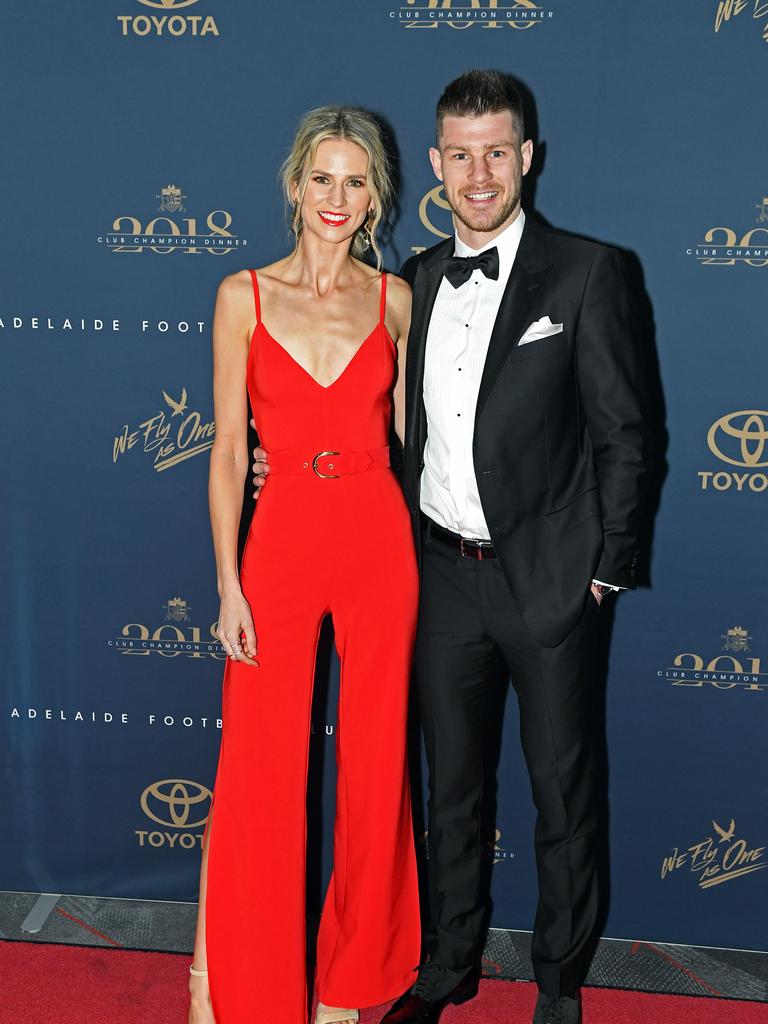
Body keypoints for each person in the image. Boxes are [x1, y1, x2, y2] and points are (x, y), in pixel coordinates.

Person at [250, 70, 652, 1024]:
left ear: (527, 159)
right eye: (461, 155)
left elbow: (626, 436)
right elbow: (361, 417)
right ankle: (447, 966)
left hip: (553, 581)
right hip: (432, 574)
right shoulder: (410, 282)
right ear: (435, 164)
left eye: (497, 153)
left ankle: (557, 982)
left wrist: (605, 571)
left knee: (562, 794)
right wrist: (285, 467)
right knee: (450, 795)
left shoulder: (591, 272)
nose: (479, 174)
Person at [188, 106, 420, 1024]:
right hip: (278, 545)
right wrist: (226, 585)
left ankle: (349, 989)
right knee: (257, 772)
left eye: (355, 181)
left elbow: (413, 443)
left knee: (376, 772)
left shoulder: (395, 299)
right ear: (294, 185)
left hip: (377, 543)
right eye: (322, 177)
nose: (337, 197)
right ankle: (232, 989)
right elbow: (228, 455)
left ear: (376, 199)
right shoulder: (241, 295)